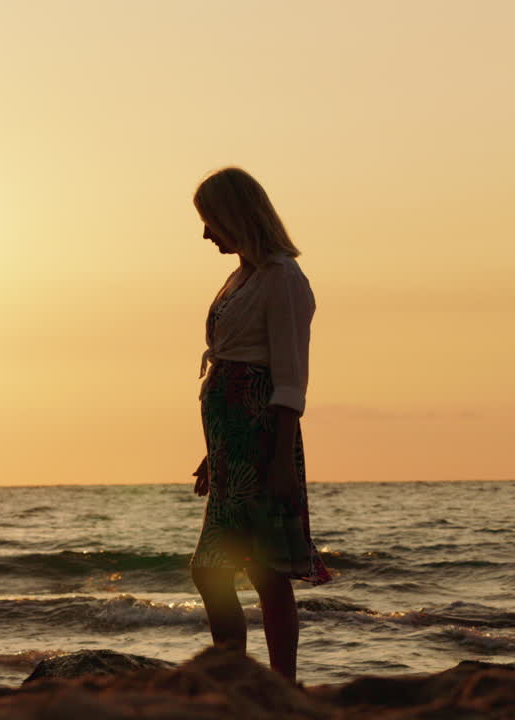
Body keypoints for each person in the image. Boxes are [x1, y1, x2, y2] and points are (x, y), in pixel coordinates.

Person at [187, 168, 330, 682]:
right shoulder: (243, 276)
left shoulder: (283, 279)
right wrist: (215, 451)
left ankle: (273, 683)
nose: (206, 233)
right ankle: (238, 679)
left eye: (210, 221)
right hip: (234, 443)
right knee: (222, 568)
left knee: (259, 569)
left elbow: (290, 379)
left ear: (235, 216)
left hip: (264, 438)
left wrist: (279, 461)